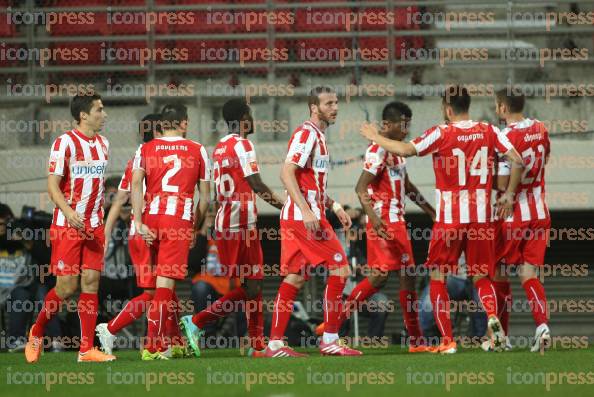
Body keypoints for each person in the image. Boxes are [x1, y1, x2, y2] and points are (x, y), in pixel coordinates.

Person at [360, 85, 525, 353]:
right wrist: (507, 195)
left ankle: (448, 341)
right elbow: (517, 160)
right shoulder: (489, 130)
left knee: (438, 277)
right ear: (467, 105)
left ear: (447, 109)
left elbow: (404, 150)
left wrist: (375, 136)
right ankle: (493, 319)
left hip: (450, 219)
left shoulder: (441, 132)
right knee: (482, 276)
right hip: (482, 218)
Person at [317, 101, 436, 353]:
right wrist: (373, 217)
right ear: (387, 125)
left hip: (398, 223)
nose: (406, 130)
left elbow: (408, 186)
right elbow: (360, 188)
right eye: (402, 125)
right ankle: (332, 324)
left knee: (408, 278)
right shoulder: (377, 151)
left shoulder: (397, 152)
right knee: (380, 277)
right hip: (382, 222)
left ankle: (416, 341)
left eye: (408, 125)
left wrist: (430, 211)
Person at [180, 98, 284, 357]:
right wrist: (286, 206)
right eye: (251, 116)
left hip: (226, 225)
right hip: (240, 225)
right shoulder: (243, 144)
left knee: (253, 285)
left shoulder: (219, 148)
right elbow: (256, 184)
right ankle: (198, 321)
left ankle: (257, 344)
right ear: (244, 119)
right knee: (251, 287)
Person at [261, 86, 360, 358]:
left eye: (337, 102)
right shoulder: (307, 133)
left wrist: (335, 205)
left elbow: (311, 184)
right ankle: (329, 340)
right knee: (340, 269)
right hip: (305, 219)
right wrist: (307, 212)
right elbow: (286, 173)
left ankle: (275, 344)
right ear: (314, 107)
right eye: (328, 103)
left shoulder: (318, 136)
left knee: (295, 278)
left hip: (299, 216)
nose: (335, 107)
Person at [25, 92, 115, 363]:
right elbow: (53, 185)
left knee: (91, 283)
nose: (104, 114)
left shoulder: (104, 144)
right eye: (99, 110)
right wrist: (68, 211)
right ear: (83, 115)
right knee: (66, 287)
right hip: (67, 224)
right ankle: (37, 329)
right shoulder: (64, 143)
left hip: (94, 225)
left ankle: (86, 349)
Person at [96, 114, 189, 357]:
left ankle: (175, 342)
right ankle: (115, 330)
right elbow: (120, 201)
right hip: (145, 233)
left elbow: (118, 203)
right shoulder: (145, 157)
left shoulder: (147, 155)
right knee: (154, 293)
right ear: (159, 132)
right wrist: (106, 235)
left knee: (166, 289)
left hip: (154, 230)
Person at [132, 103, 210, 360]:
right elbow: (206, 198)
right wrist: (194, 228)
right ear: (184, 123)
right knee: (165, 285)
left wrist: (139, 221)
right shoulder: (197, 149)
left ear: (162, 124)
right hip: (177, 220)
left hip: (150, 218)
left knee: (155, 286)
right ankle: (152, 346)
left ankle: (171, 341)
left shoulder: (145, 148)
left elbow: (135, 185)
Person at [491, 89, 552, 352]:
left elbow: (504, 184)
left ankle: (501, 337)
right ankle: (542, 326)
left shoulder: (506, 137)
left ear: (503, 108)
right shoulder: (540, 129)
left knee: (499, 273)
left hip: (513, 215)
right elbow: (544, 159)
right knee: (529, 274)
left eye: (496, 106)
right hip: (539, 212)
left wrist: (481, 180)